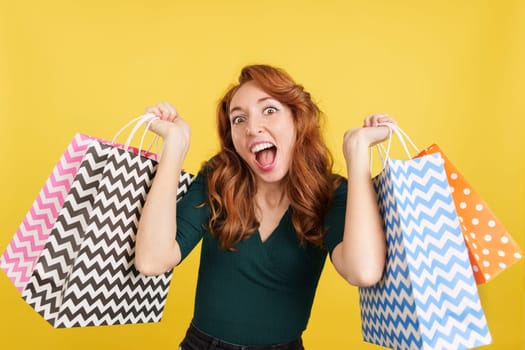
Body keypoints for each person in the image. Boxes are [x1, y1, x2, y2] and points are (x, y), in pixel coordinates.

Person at [134, 64, 394, 350]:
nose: (252, 128)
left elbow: (363, 271)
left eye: (269, 110)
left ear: (297, 119)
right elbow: (151, 261)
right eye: (238, 119)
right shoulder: (218, 180)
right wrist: (175, 145)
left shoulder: (329, 194)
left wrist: (357, 151)